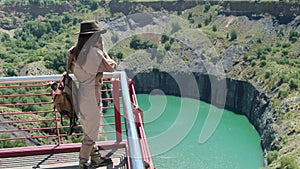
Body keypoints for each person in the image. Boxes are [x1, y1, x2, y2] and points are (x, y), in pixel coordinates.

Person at [67, 20, 116, 169]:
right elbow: (112, 67)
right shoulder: (94, 53)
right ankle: (83, 163)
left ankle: (95, 158)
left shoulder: (72, 52)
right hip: (92, 97)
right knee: (91, 134)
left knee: (89, 128)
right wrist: (103, 49)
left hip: (81, 93)